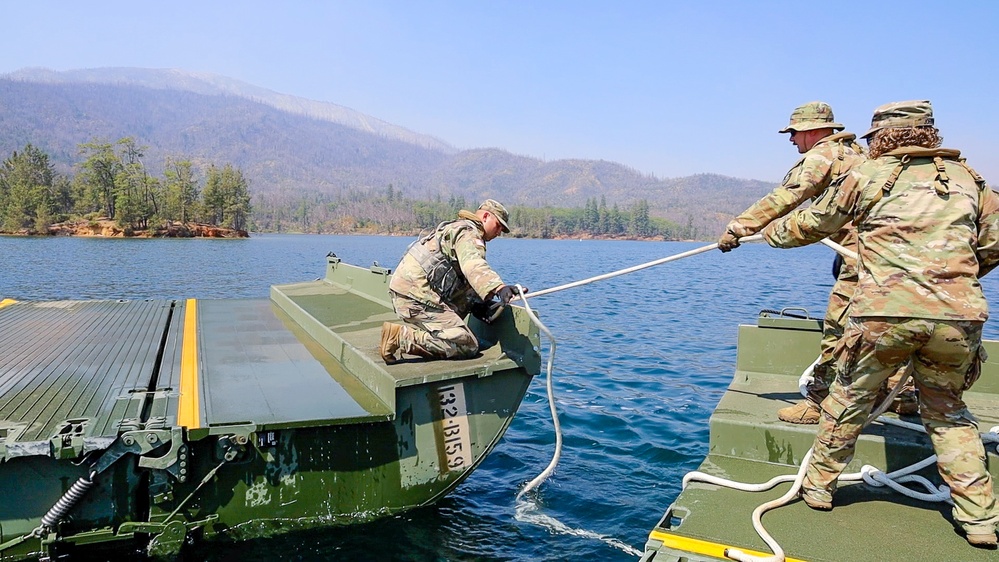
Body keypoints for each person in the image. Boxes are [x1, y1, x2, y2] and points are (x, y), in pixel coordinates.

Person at [762, 100, 999, 547]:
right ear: (930, 134)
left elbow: (812, 223)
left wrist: (768, 233)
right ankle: (980, 520)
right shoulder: (972, 180)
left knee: (849, 399)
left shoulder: (867, 174)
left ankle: (817, 489)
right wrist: (951, 283)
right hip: (958, 318)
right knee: (949, 414)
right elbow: (993, 243)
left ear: (883, 138)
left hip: (882, 315)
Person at [717, 101, 907, 424]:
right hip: (892, 258)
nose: (792, 140)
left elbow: (785, 198)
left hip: (861, 261)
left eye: (794, 133)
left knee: (839, 325)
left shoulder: (821, 156)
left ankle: (818, 401)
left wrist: (739, 228)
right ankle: (900, 394)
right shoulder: (858, 154)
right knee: (891, 324)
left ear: (811, 131)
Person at [380, 199, 526, 364]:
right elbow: (473, 265)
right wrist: (499, 288)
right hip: (416, 296)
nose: (499, 232)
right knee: (467, 345)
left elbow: (461, 277)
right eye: (498, 225)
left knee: (461, 332)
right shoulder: (468, 234)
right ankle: (401, 338)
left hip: (409, 292)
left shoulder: (458, 228)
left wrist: (477, 304)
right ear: (486, 216)